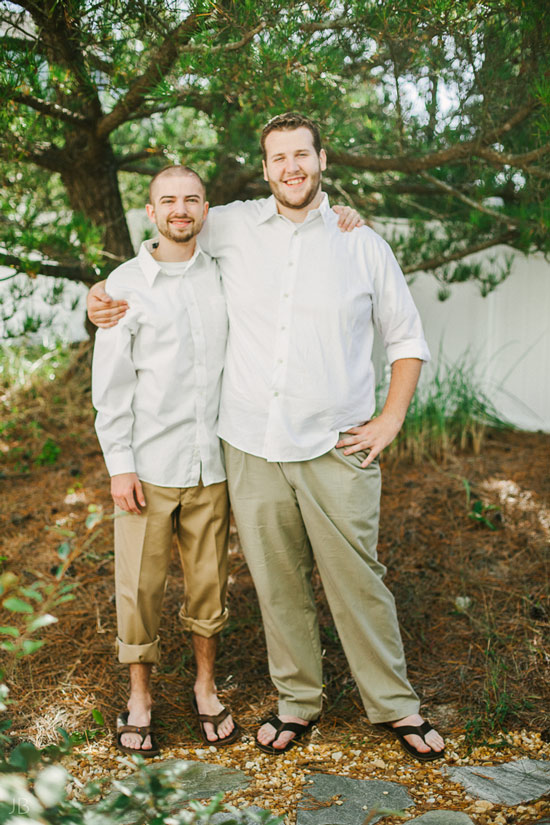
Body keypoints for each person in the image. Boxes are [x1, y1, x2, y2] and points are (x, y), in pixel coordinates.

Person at [89, 112, 445, 762]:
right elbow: (165, 237)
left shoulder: (360, 242)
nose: (291, 168)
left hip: (337, 445)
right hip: (250, 446)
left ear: (322, 160)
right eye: (278, 157)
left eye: (301, 155)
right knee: (277, 583)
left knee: (358, 579)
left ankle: (395, 704)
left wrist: (391, 418)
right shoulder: (230, 223)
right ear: (265, 168)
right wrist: (100, 294)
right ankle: (297, 700)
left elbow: (406, 337)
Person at [92, 166, 240, 755]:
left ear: (206, 208)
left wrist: (343, 216)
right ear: (150, 212)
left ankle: (205, 686)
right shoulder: (123, 285)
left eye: (192, 199)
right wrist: (118, 465)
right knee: (140, 587)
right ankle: (141, 696)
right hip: (148, 466)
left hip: (213, 464)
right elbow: (111, 385)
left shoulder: (228, 275)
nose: (181, 209)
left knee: (209, 583)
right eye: (168, 201)